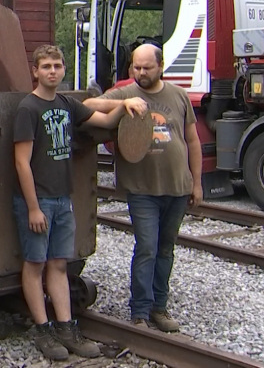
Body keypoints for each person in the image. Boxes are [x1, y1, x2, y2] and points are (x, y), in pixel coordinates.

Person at [14, 45, 147, 360]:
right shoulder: (28, 109)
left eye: (57, 66)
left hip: (62, 198)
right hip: (39, 200)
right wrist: (33, 207)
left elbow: (101, 119)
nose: (52, 71)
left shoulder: (66, 104)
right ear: (35, 71)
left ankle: (65, 326)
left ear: (63, 69)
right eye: (46, 66)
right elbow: (22, 162)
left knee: (58, 264)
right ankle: (43, 330)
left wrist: (124, 102)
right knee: (35, 265)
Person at [83, 43, 202, 332]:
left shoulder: (178, 95)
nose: (141, 72)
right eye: (136, 67)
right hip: (142, 189)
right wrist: (122, 105)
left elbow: (192, 140)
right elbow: (87, 106)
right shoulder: (127, 92)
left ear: (160, 66)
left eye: (147, 67)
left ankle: (159, 308)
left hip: (177, 187)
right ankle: (140, 312)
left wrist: (196, 183)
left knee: (165, 249)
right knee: (147, 247)